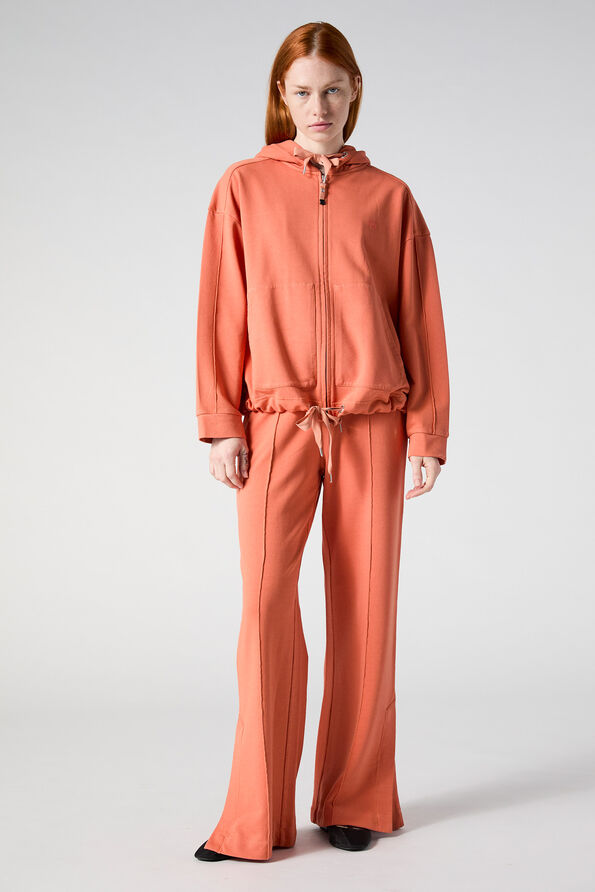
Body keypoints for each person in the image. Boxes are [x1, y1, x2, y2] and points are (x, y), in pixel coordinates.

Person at [193, 21, 450, 863]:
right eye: (302, 91)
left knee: (366, 610)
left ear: (354, 92)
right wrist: (221, 423)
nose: (318, 107)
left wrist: (426, 431)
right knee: (266, 606)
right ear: (281, 96)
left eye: (332, 89)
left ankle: (355, 800)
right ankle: (253, 818)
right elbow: (221, 309)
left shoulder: (390, 198)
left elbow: (419, 320)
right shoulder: (242, 187)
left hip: (373, 422)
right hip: (275, 421)